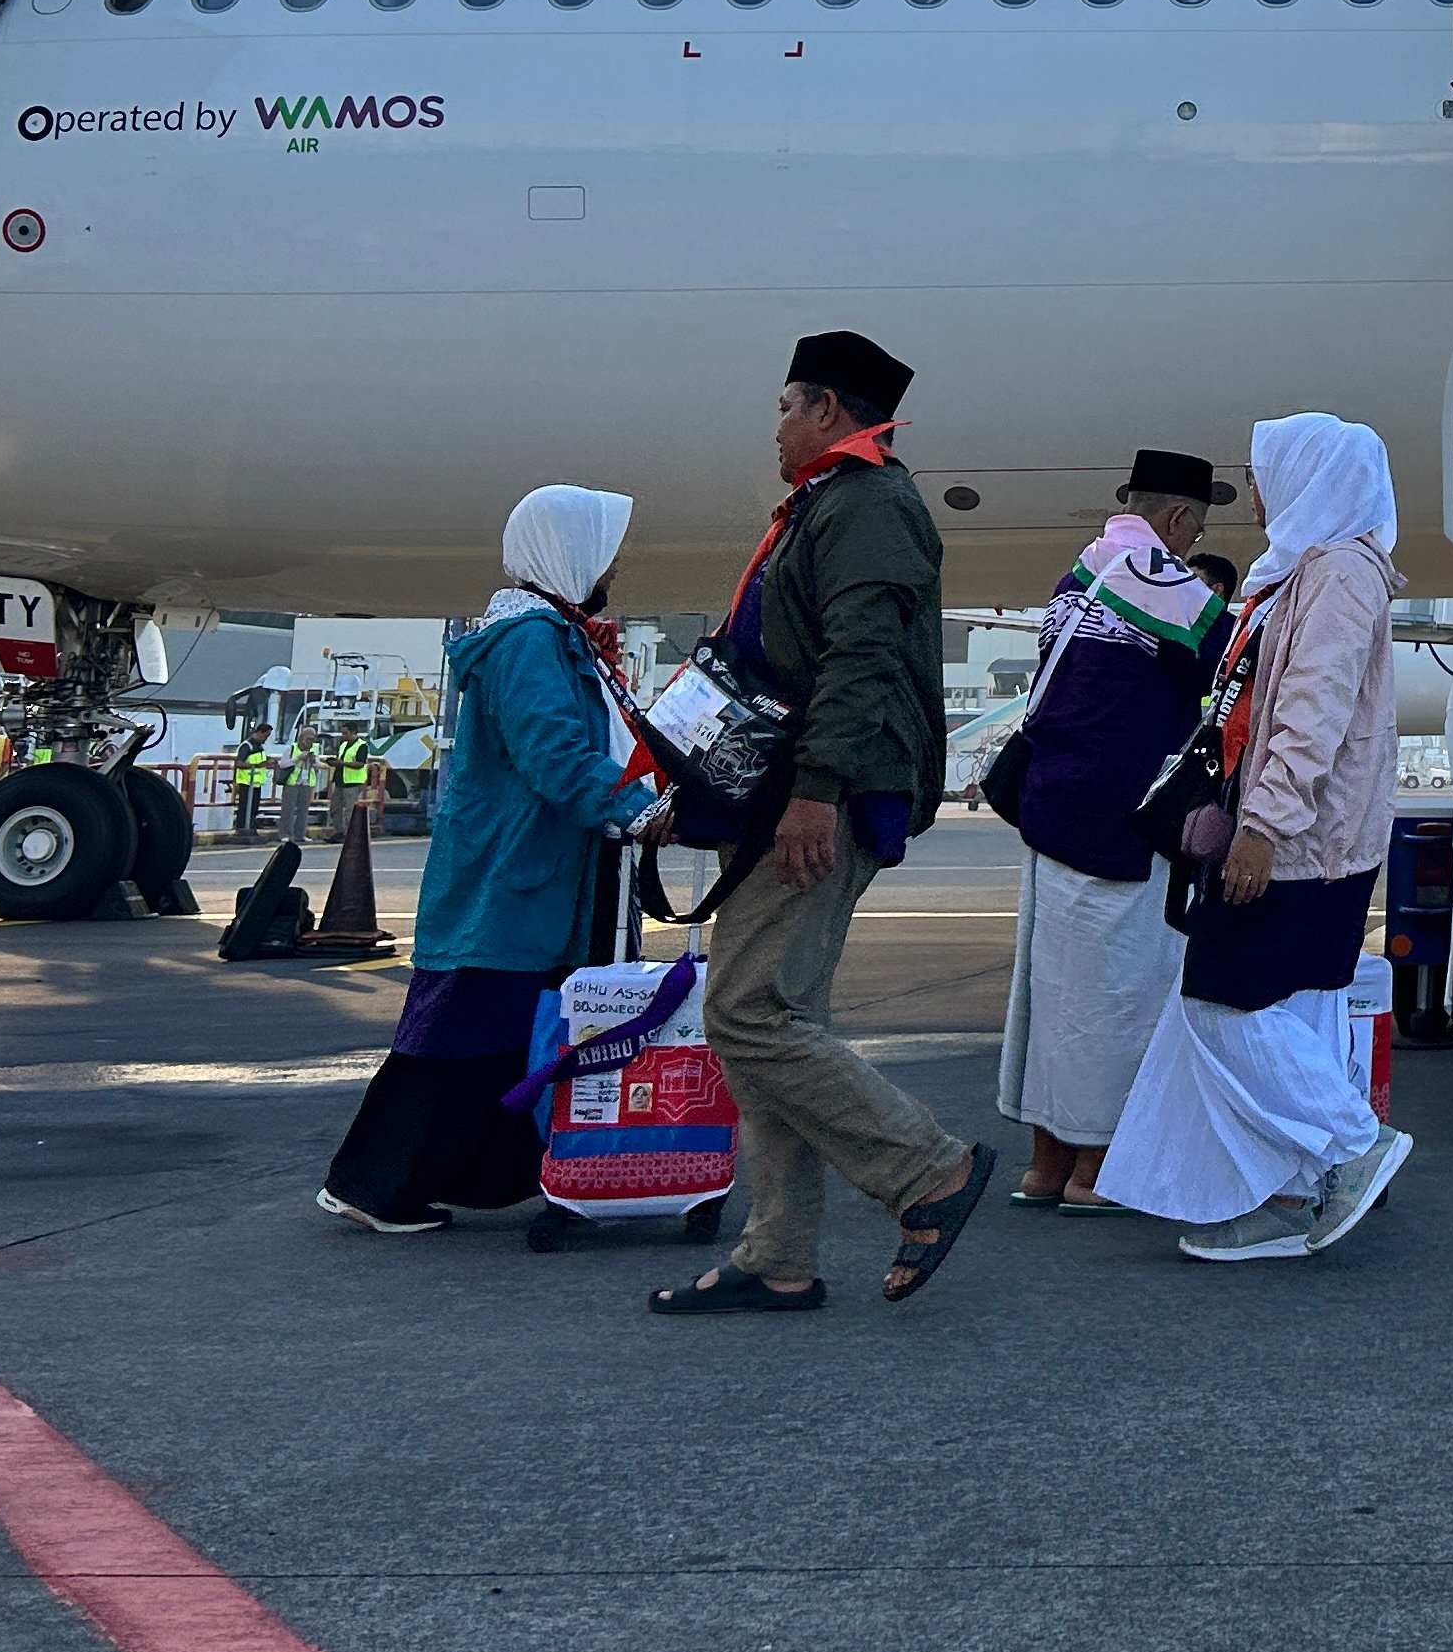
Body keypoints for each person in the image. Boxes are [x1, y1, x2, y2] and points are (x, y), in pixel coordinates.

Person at [654, 329, 995, 1318]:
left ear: (826, 411)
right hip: (782, 783)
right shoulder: (832, 502)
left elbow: (862, 659)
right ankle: (779, 1254)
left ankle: (927, 1169)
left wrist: (820, 790)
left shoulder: (869, 504)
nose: (777, 427)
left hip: (819, 791)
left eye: (785, 407)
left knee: (748, 1014)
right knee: (777, 1018)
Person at [1098, 413, 1412, 1262]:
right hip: (1297, 830)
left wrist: (1266, 824)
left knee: (1222, 999)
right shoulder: (1299, 572)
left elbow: (1313, 709)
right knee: (1289, 1009)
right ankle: (1286, 1194)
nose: (1258, 488)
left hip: (1304, 837)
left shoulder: (1338, 573)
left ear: (1312, 476)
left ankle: (1352, 1146)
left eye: (1267, 470)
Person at [321, 486, 669, 1234]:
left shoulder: (550, 636)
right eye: (602, 551)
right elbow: (555, 754)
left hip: (533, 879)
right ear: (566, 555)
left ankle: (446, 1178)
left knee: (500, 1037)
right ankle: (373, 1183)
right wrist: (639, 813)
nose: (611, 566)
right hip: (513, 880)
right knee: (459, 1034)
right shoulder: (529, 645)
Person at [996, 448, 1225, 1212]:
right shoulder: (1170, 588)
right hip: (1122, 822)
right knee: (1117, 998)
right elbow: (1226, 675)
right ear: (1180, 519)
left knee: (1051, 997)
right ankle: (1098, 1171)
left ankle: (1044, 1167)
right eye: (1195, 529)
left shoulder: (1082, 572)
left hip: (1050, 810)